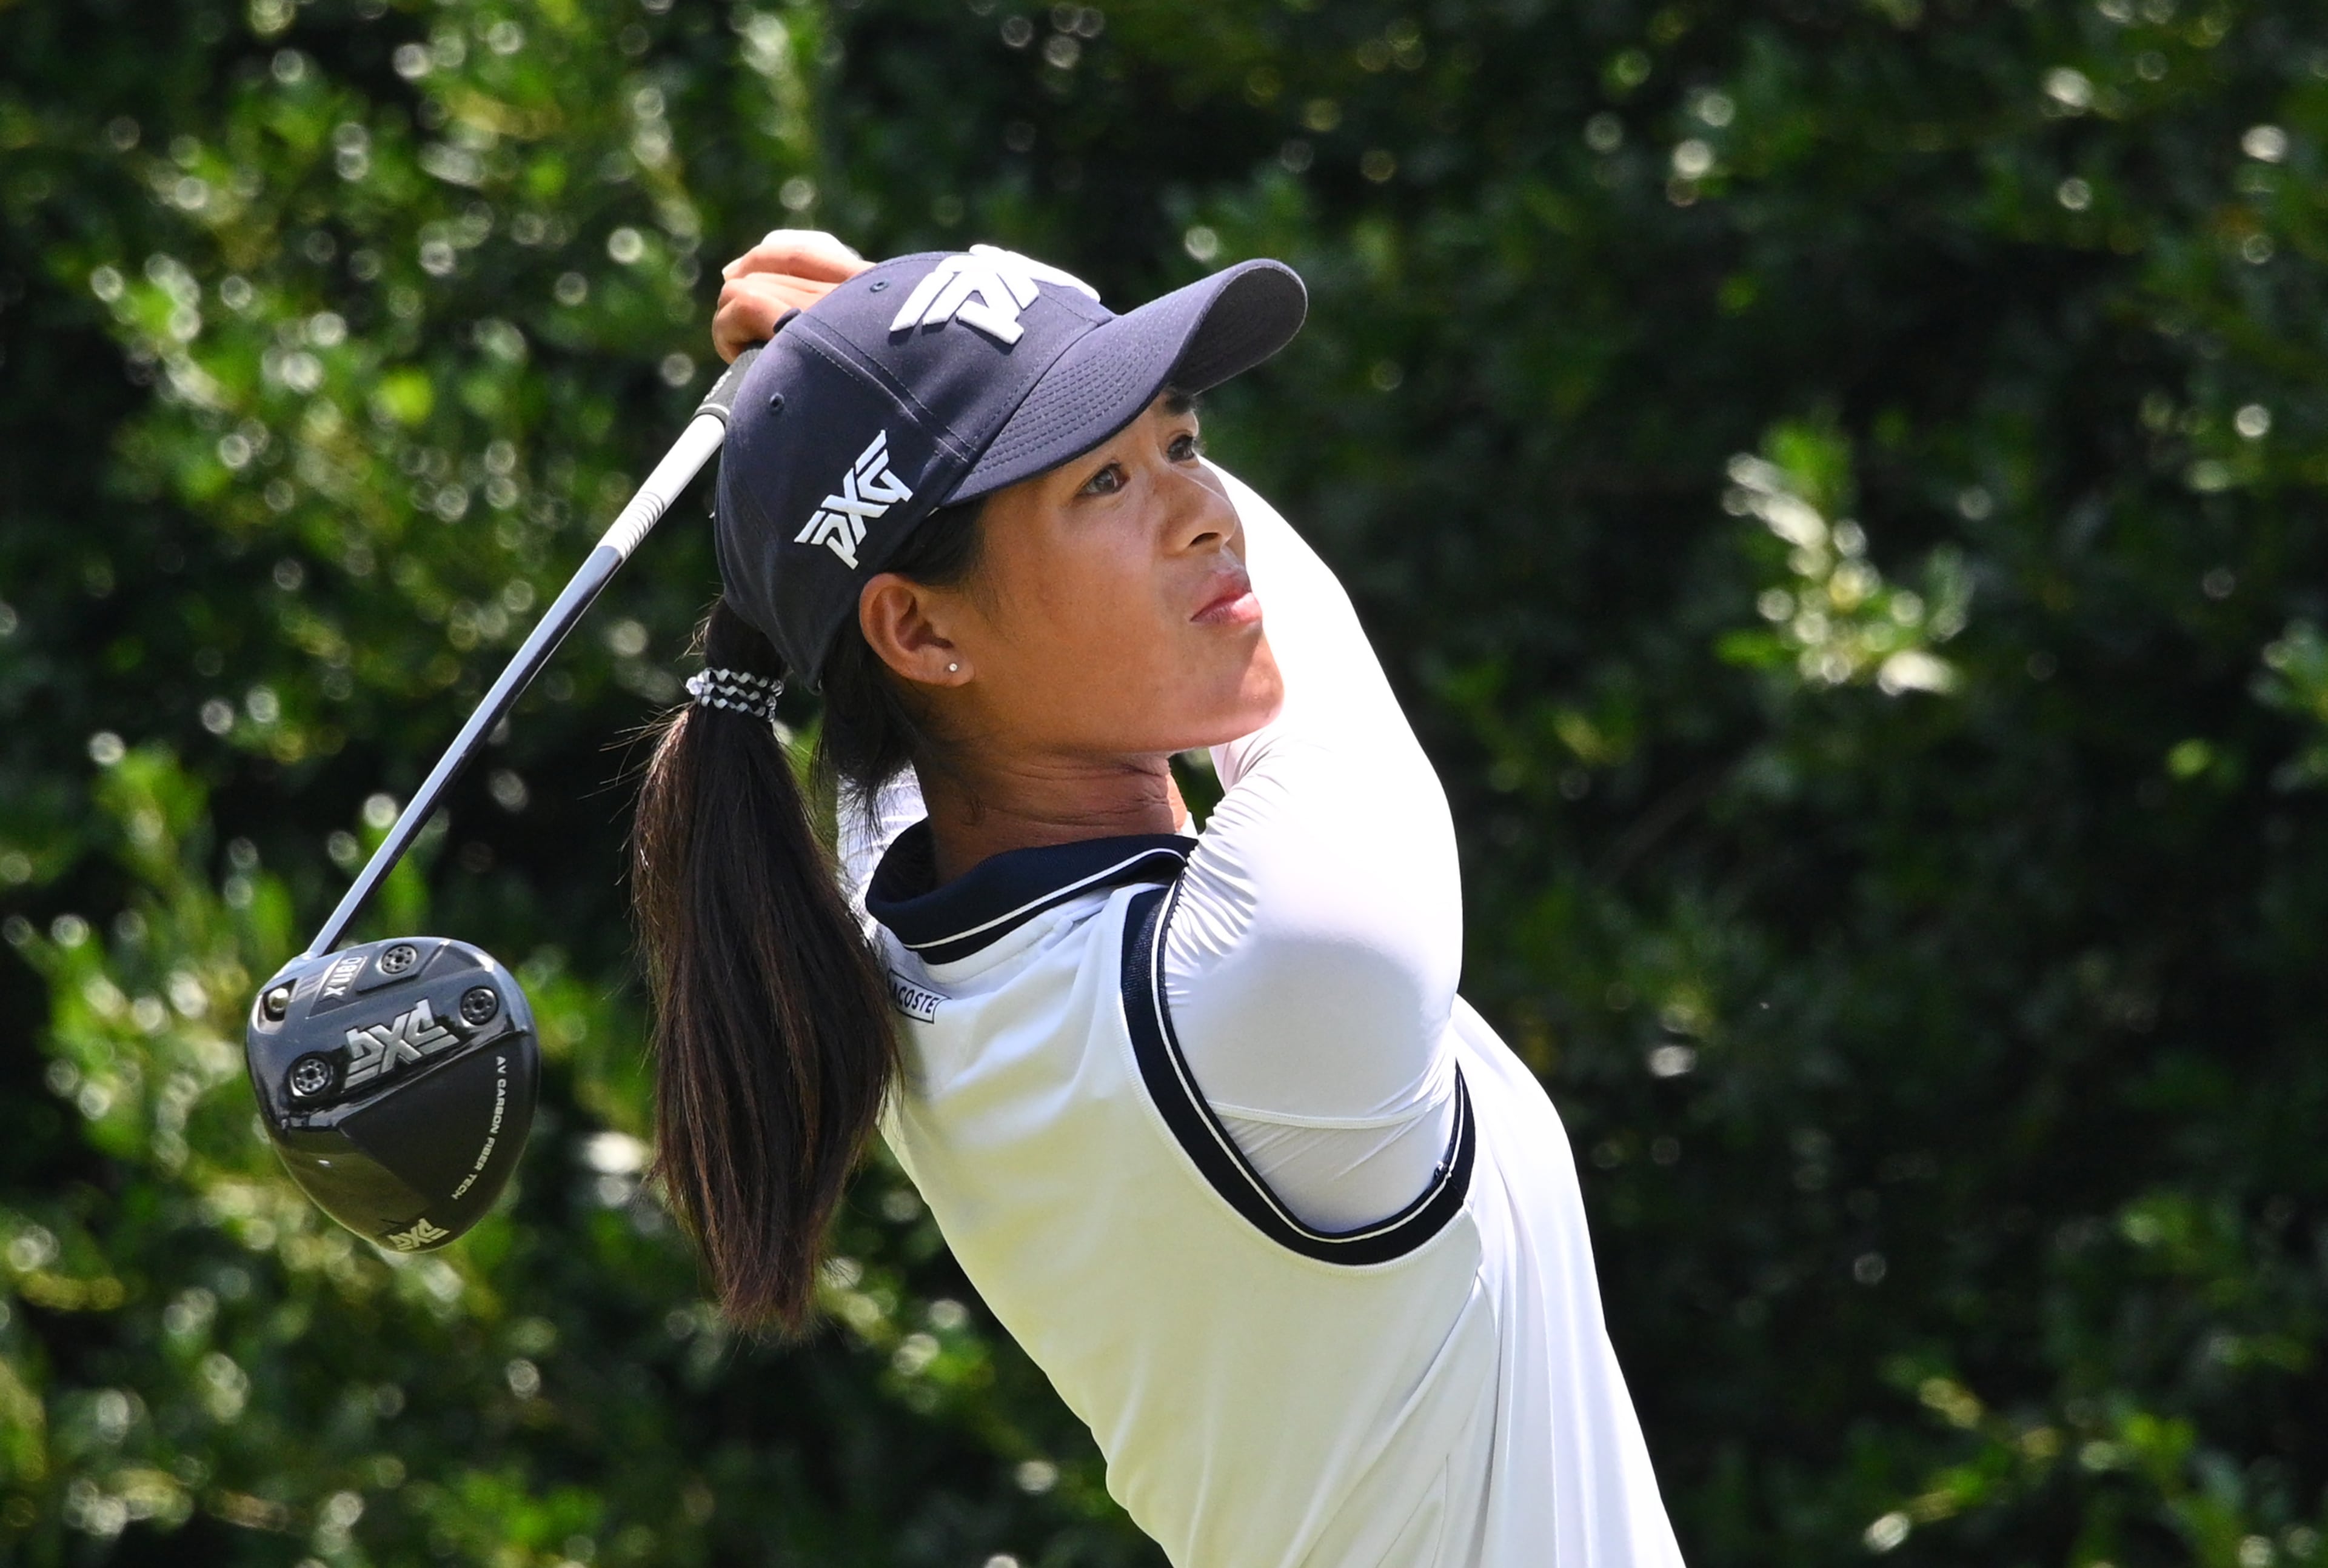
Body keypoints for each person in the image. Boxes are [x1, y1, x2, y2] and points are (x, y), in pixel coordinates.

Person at [630, 229, 1684, 1567]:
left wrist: (880, 363)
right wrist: (891, 337)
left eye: (1183, 440)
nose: (1205, 511)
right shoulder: (1288, 977)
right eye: (1106, 480)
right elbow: (1292, 630)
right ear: (924, 632)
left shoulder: (900, 959)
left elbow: (880, 716)